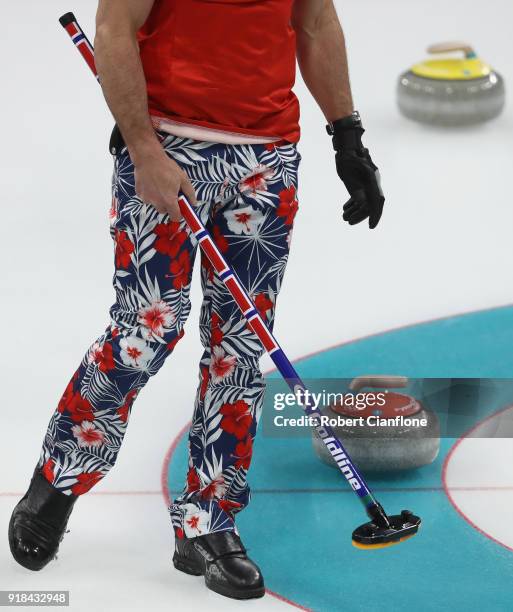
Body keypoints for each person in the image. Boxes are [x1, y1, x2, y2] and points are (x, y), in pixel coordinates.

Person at [9, 0, 384, 600]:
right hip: (167, 144)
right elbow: (114, 26)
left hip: (265, 159)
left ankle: (209, 523)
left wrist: (348, 135)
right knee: (143, 333)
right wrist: (142, 147)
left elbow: (314, 22)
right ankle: (58, 477)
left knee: (240, 345)